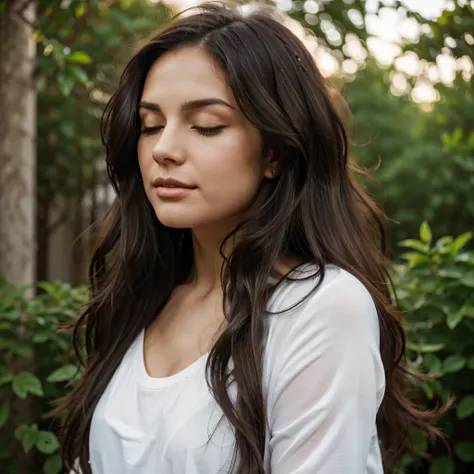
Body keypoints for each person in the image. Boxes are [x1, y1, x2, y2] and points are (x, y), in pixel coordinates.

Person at [58, 2, 443, 473]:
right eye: (150, 124)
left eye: (206, 126)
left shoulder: (319, 308)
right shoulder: (144, 297)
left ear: (275, 153)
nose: (163, 149)